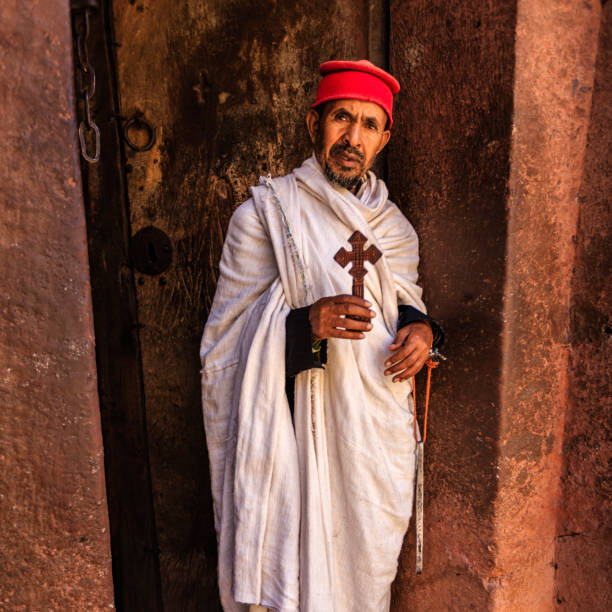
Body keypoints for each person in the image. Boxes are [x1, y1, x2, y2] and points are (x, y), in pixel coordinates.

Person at [200, 59, 443, 612]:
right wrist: (301, 324)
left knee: (362, 577)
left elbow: (405, 303)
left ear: (385, 138)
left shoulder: (395, 230)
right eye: (340, 118)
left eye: (368, 124)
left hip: (371, 443)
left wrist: (422, 331)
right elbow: (223, 353)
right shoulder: (264, 218)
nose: (351, 137)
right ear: (315, 125)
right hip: (293, 438)